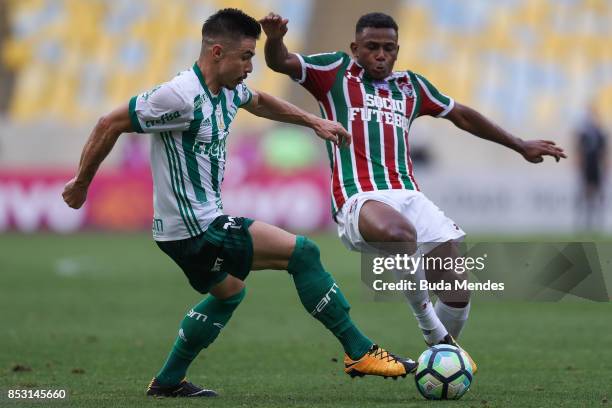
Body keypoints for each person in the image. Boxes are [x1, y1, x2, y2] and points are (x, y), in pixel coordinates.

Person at [62, 9, 417, 398]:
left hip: (185, 230)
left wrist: (314, 122)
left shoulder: (229, 90)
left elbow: (261, 101)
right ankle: (359, 351)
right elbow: (108, 123)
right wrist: (82, 183)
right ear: (217, 52)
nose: (251, 66)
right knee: (303, 253)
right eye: (246, 56)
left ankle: (168, 382)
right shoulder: (179, 96)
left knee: (229, 292)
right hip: (197, 228)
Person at [261, 11, 567, 373]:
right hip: (359, 197)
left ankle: (437, 365)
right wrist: (275, 38)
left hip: (409, 195)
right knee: (398, 233)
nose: (380, 54)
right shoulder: (334, 72)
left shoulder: (412, 86)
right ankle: (433, 335)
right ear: (355, 47)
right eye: (371, 47)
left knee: (456, 291)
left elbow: (462, 115)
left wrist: (520, 144)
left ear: (397, 50)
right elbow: (279, 62)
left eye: (388, 48)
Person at [575, 104, 608, 231]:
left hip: (596, 166)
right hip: (587, 166)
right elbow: (579, 150)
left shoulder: (600, 133)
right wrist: (579, 163)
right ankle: (585, 221)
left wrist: (605, 165)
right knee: (586, 192)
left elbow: (604, 152)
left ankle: (597, 221)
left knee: (598, 192)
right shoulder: (584, 133)